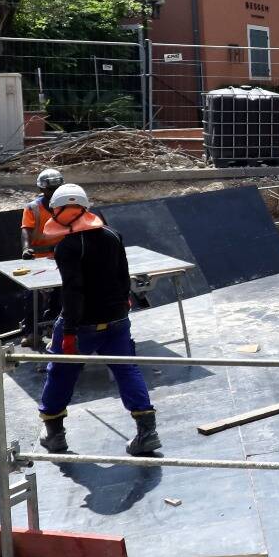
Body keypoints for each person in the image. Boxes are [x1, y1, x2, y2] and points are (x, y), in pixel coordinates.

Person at [33, 184, 162, 456]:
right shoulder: (112, 235)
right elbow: (123, 275)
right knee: (127, 370)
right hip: (116, 319)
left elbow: (73, 290)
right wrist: (123, 302)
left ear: (56, 211)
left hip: (82, 325)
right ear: (86, 208)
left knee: (61, 373)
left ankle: (54, 433)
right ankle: (147, 433)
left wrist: (69, 331)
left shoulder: (68, 246)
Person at [19, 168, 68, 259]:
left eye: (57, 189)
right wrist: (26, 249)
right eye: (50, 189)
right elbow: (26, 230)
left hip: (65, 254)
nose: (54, 192)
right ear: (41, 189)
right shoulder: (32, 208)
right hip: (41, 257)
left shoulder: (69, 206)